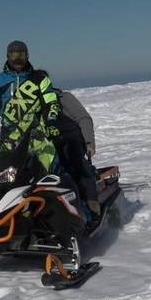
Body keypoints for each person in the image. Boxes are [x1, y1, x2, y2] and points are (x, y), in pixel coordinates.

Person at [0, 40, 62, 177]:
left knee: (55, 173)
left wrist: (51, 123)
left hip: (38, 139)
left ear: (27, 56)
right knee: (3, 181)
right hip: (8, 142)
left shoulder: (40, 80)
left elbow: (52, 104)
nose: (17, 59)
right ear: (7, 57)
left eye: (21, 55)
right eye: (13, 55)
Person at [35, 70, 100, 215]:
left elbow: (83, 118)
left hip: (70, 139)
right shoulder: (31, 106)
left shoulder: (64, 98)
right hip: (46, 145)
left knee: (73, 158)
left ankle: (91, 199)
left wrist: (89, 143)